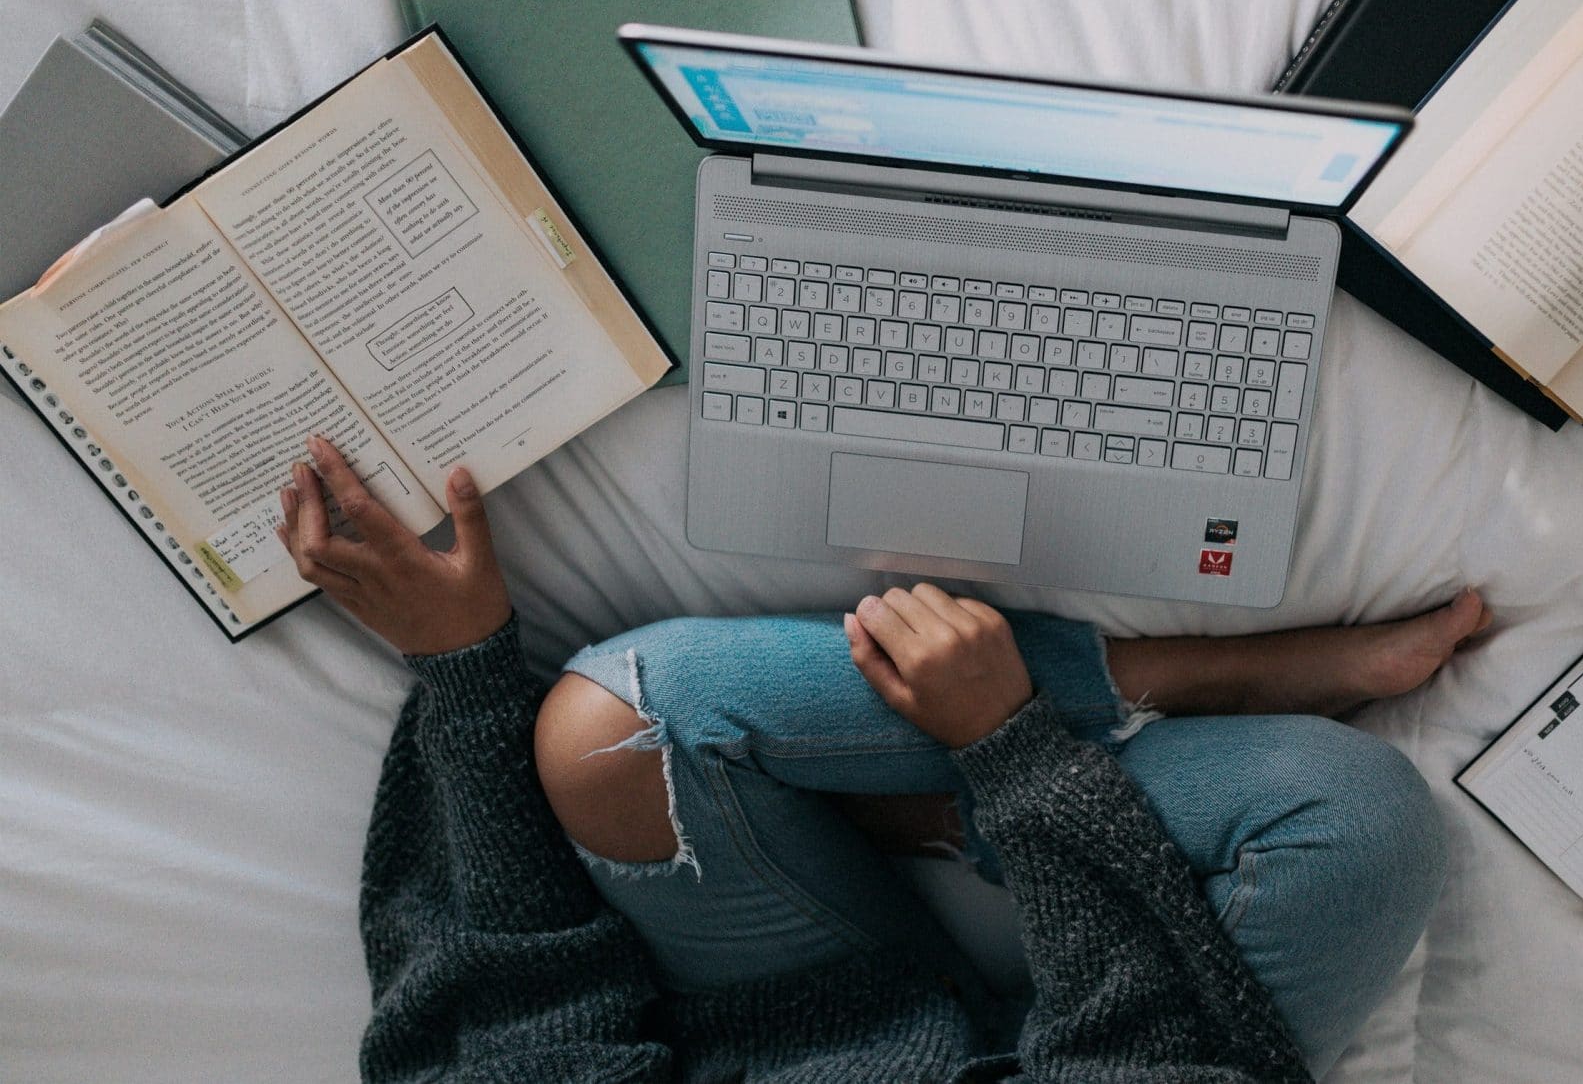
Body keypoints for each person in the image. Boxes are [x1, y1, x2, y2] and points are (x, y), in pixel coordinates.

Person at [280, 435, 1489, 1081]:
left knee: (615, 724)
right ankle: (955, 798)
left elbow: (521, 1013)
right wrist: (1008, 753)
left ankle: (1145, 682)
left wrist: (466, 664)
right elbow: (1143, 1053)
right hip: (1134, 1055)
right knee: (1356, 814)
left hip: (795, 1021)